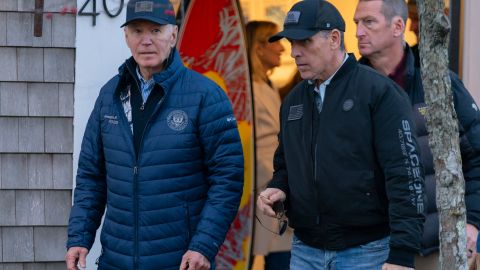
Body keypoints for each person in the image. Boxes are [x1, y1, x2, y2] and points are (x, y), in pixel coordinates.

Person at [64, 0, 244, 269]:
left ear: (173, 34)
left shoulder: (205, 96)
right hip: (116, 260)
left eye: (156, 31)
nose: (146, 41)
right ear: (126, 37)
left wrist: (203, 246)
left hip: (180, 260)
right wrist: (79, 236)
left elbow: (227, 180)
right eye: (137, 31)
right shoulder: (110, 96)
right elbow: (92, 175)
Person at [256, 0, 426, 269]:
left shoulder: (379, 92)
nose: (295, 53)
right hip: (304, 250)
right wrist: (278, 188)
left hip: (367, 251)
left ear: (334, 38)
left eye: (305, 42)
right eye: (292, 43)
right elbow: (286, 164)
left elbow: (405, 176)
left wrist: (402, 255)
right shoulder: (294, 100)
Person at [354, 0, 480, 269]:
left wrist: (472, 223)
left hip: (431, 248)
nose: (358, 32)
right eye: (356, 23)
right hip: (367, 250)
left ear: (398, 26)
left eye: (369, 22)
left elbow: (477, 156)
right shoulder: (350, 90)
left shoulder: (439, 84)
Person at [245, 20, 292, 270]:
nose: (283, 49)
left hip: (273, 186)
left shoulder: (267, 85)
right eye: (275, 41)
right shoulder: (250, 89)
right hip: (262, 187)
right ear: (259, 48)